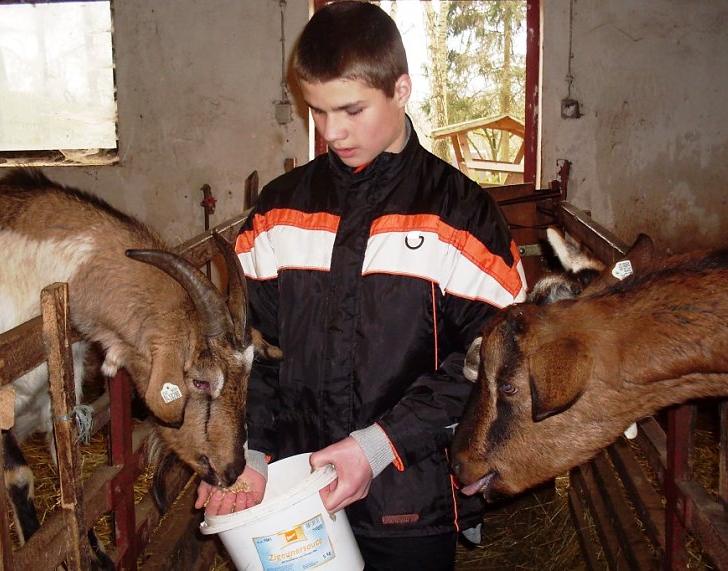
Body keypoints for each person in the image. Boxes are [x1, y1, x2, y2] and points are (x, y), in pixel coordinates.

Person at [195, 2, 527, 569]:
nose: (332, 132)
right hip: (297, 491)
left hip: (409, 499)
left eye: (352, 110)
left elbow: (493, 365)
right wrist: (248, 455)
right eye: (318, 111)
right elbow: (254, 352)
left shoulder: (464, 218)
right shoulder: (279, 211)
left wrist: (377, 446)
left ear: (401, 89)